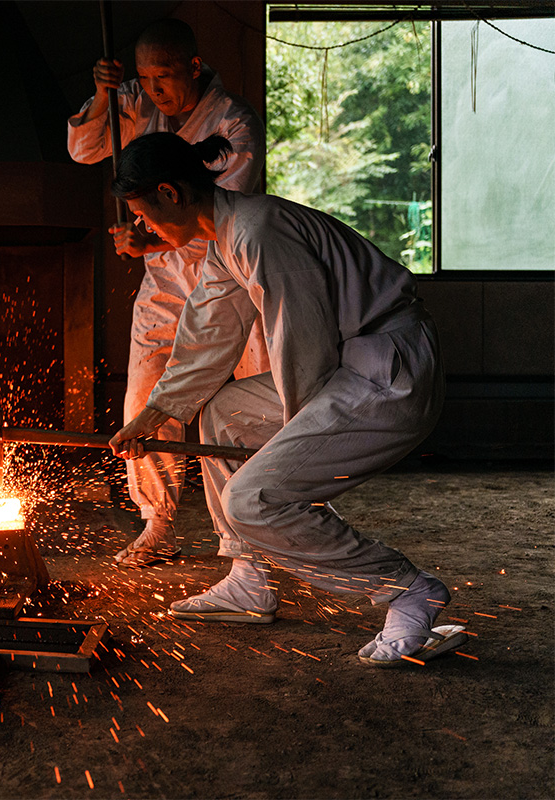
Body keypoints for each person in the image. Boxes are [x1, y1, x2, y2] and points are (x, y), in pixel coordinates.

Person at [108, 132, 468, 666]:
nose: (145, 230)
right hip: (351, 363)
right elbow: (207, 332)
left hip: (387, 370)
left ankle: (406, 588)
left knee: (255, 499)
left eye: (145, 215)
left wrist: (294, 456)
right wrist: (154, 415)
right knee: (225, 412)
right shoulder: (227, 237)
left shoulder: (257, 231)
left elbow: (301, 343)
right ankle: (248, 577)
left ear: (170, 192)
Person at [68, 18, 270, 567]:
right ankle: (157, 519)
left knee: (257, 396)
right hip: (164, 280)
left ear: (194, 67)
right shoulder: (131, 101)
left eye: (164, 78)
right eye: (144, 78)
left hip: (225, 268)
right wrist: (103, 95)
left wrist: (149, 236)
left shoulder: (233, 122)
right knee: (145, 394)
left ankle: (265, 515)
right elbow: (84, 150)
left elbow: (212, 212)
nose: (154, 90)